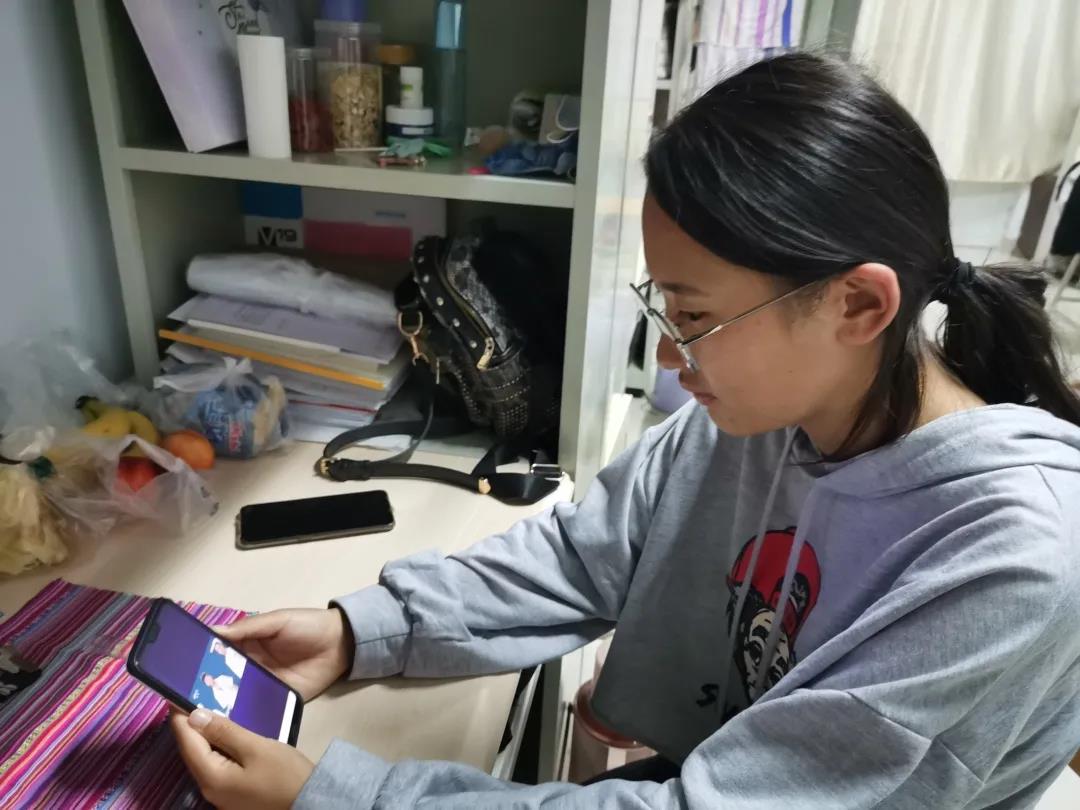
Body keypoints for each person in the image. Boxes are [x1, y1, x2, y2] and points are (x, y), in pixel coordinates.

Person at [169, 53, 1080, 809]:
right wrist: (363, 630)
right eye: (665, 308)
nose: (674, 355)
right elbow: (585, 554)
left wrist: (344, 798)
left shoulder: (1010, 560)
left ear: (858, 305)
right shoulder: (767, 415)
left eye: (696, 316)